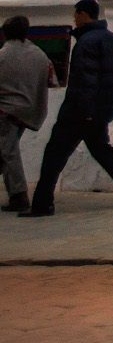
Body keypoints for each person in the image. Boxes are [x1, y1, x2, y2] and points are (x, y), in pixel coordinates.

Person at [23, 0, 113, 216]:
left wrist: (85, 110)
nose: (74, 18)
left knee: (54, 154)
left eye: (75, 14)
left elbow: (86, 80)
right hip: (102, 109)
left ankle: (42, 203)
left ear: (82, 14)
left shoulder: (87, 42)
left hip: (79, 111)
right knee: (101, 149)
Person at [0, 15, 54, 213]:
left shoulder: (3, 56)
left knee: (8, 152)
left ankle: (19, 195)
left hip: (5, 110)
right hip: (30, 110)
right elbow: (51, 79)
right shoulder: (39, 54)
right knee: (5, 150)